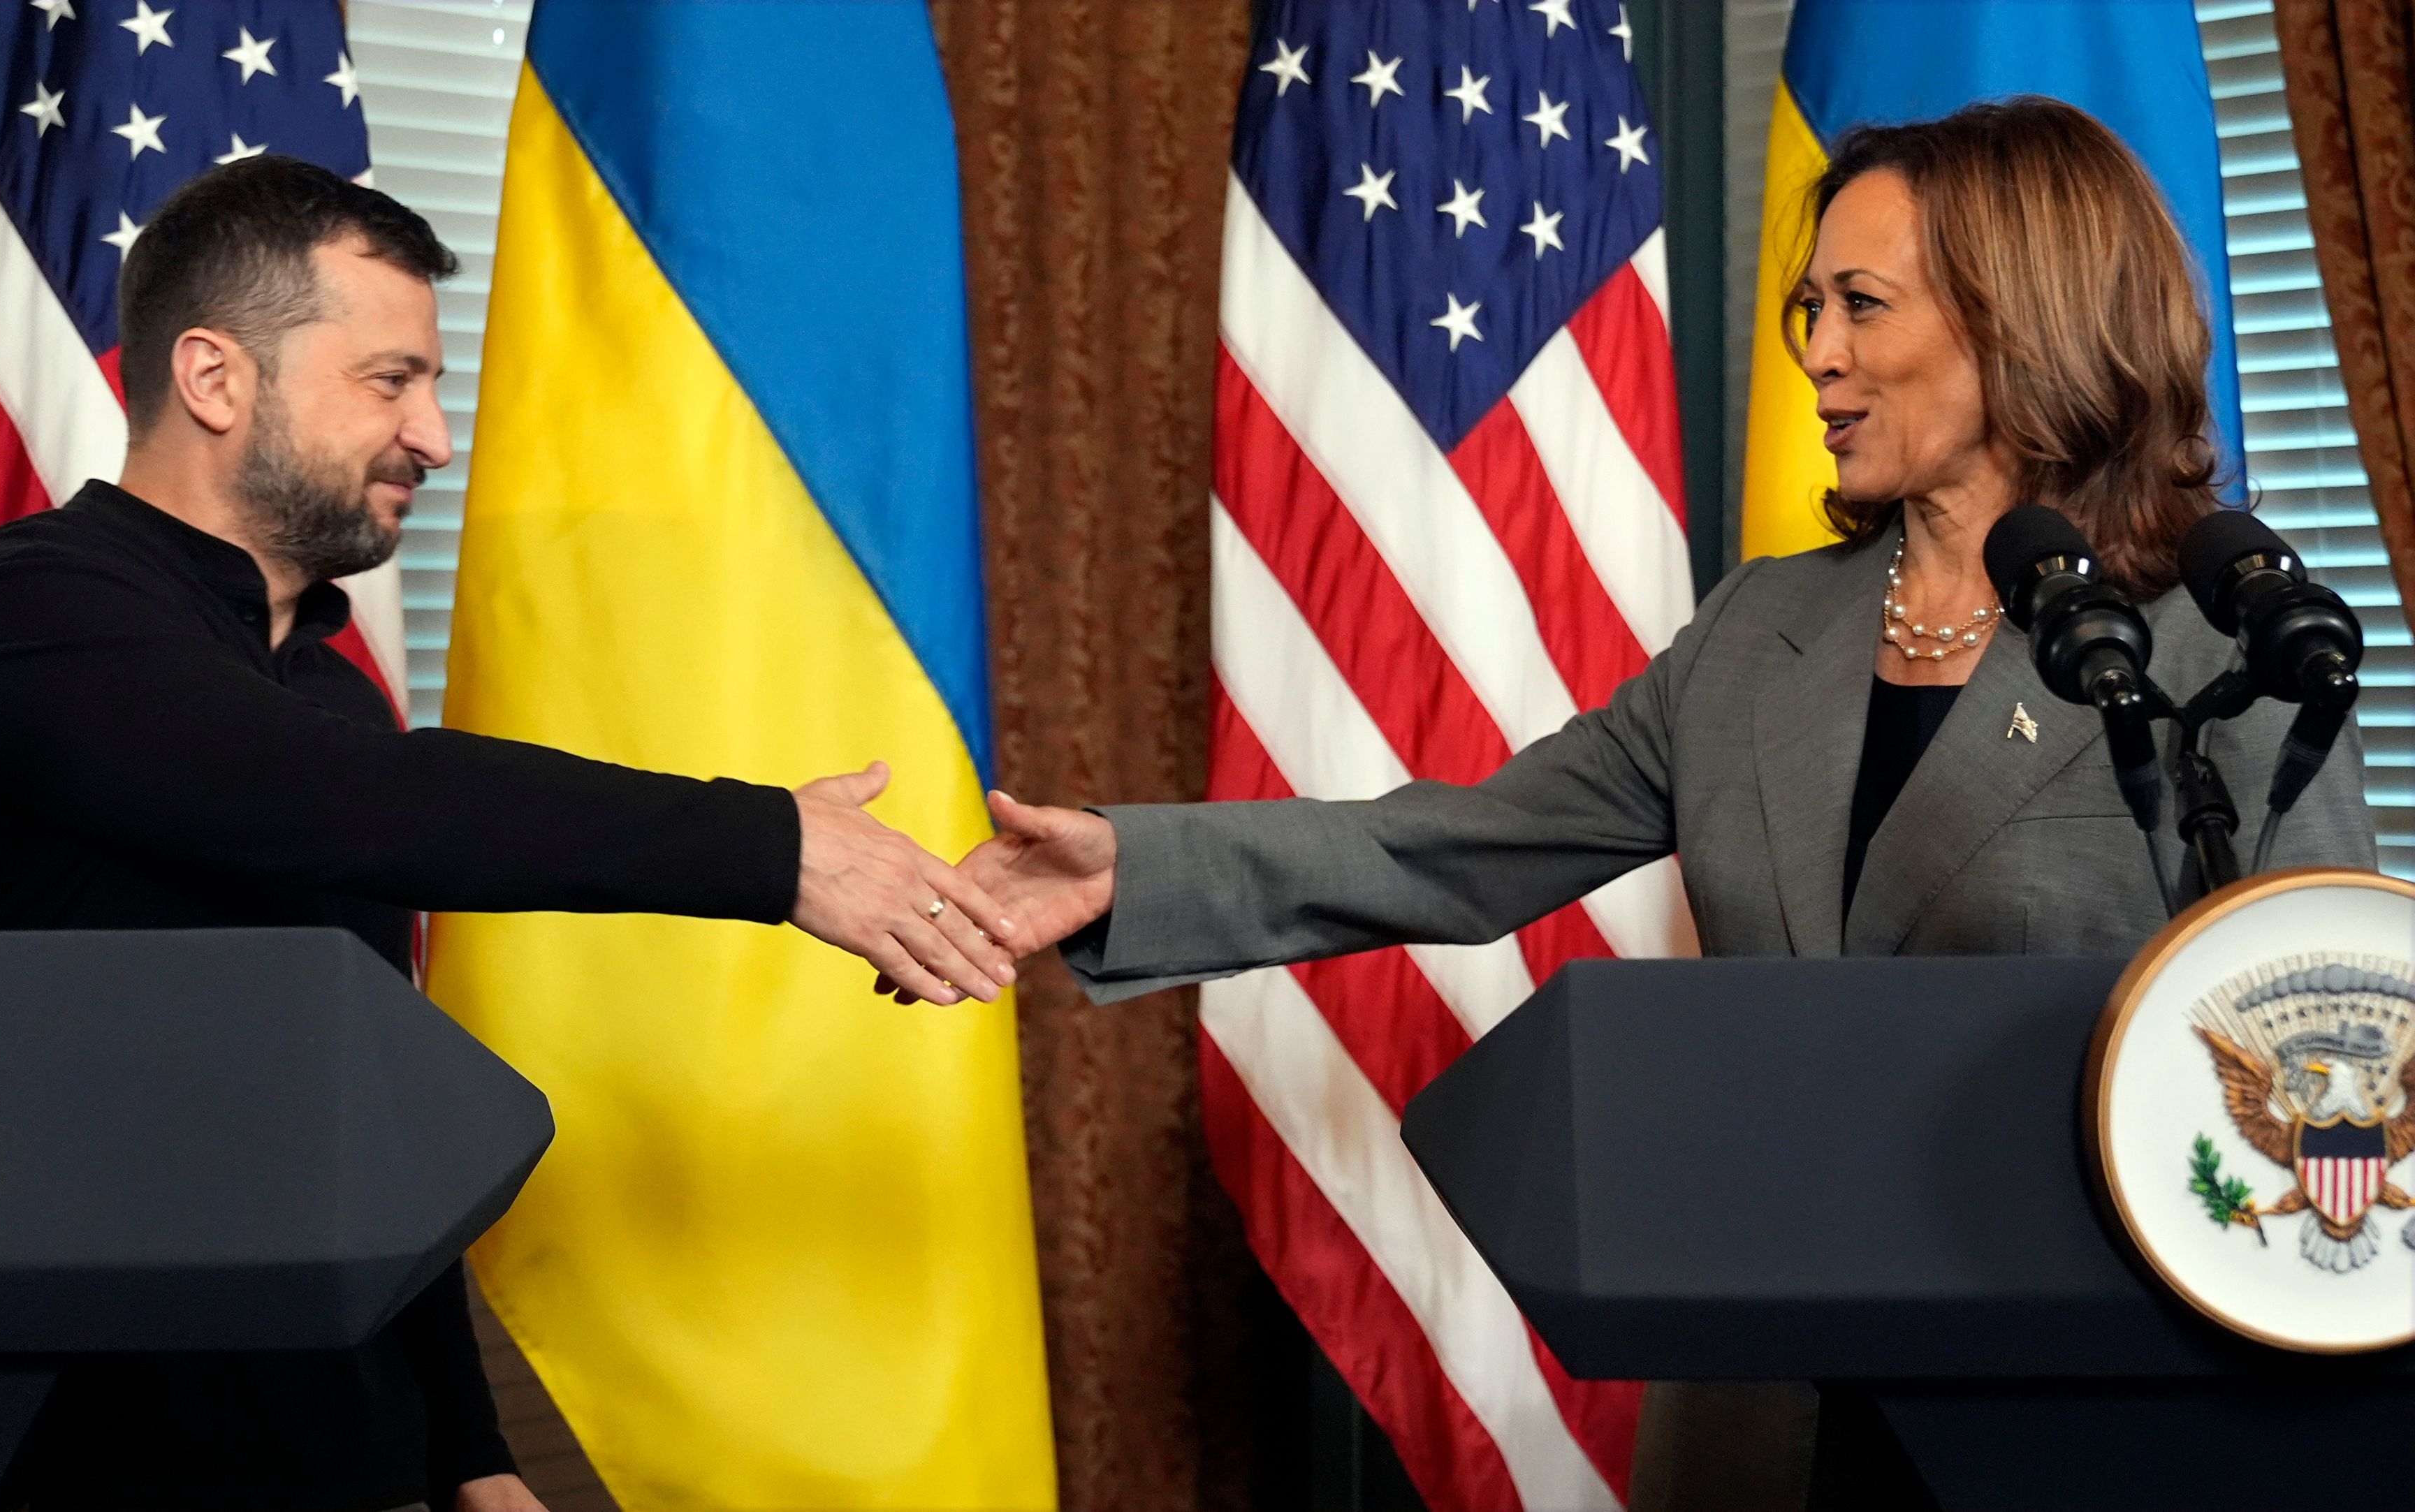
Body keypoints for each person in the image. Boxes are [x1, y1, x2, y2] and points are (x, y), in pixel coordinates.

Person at [928, 98, 2380, 1504]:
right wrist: (1130, 867)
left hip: (2091, 1414)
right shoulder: (1762, 633)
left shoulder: (2214, 647)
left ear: (2024, 320)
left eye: (1863, 306)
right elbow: (1456, 845)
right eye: (1810, 309)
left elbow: (2344, 1056)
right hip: (1775, 1402)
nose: (1818, 354)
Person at [0, 157, 1019, 1512]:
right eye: (388, 380)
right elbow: (347, 802)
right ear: (215, 377)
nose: (432, 434)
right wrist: (769, 848)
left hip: (335, 1443)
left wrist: (468, 1452)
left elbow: (357, 1095)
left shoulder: (310, 677)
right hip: (86, 1452)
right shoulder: (41, 608)